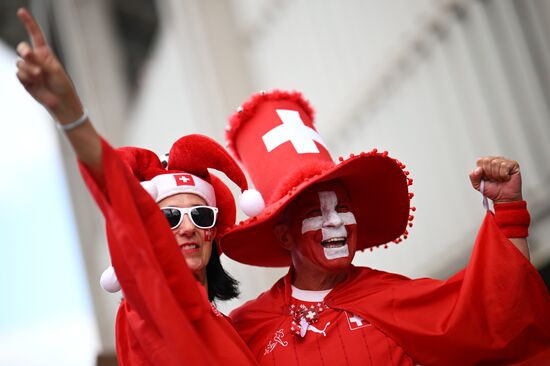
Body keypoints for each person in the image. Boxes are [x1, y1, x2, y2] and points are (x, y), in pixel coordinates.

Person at [220, 90, 550, 365]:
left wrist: (508, 207)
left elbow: (504, 319)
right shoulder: (247, 328)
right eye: (316, 212)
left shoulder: (394, 299)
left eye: (343, 207)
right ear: (284, 235)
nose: (335, 221)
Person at [15, 8, 257, 365]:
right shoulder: (158, 302)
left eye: (202, 214)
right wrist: (70, 114)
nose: (188, 226)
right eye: (170, 216)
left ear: (215, 231)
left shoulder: (234, 326)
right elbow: (119, 193)